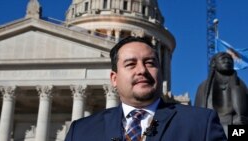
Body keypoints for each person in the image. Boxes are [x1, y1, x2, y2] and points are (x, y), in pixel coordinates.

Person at [65, 36, 227, 141]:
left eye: (150, 63)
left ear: (161, 72)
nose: (141, 70)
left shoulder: (200, 123)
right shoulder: (81, 132)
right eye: (131, 64)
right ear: (114, 79)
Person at [195, 52, 248, 135]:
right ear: (213, 63)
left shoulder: (241, 85)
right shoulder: (203, 87)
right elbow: (198, 115)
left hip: (236, 128)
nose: (227, 61)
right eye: (223, 58)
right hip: (211, 127)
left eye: (230, 59)